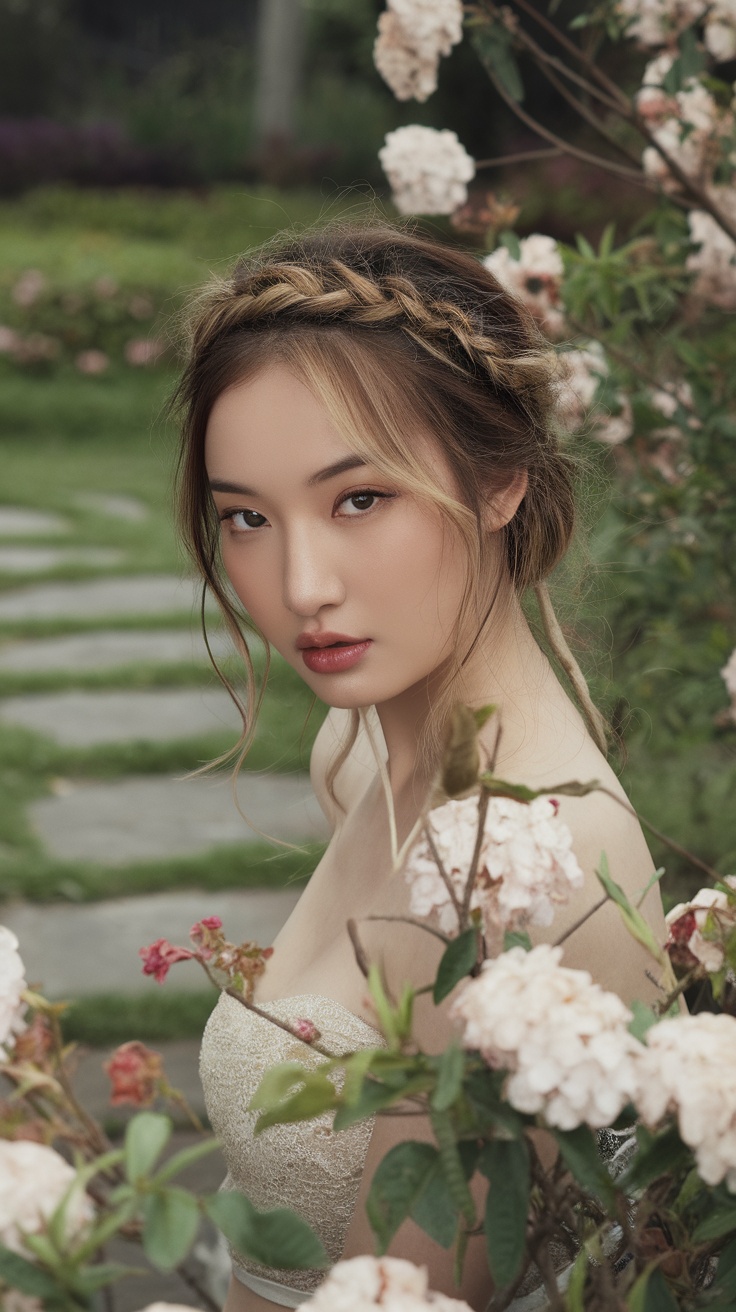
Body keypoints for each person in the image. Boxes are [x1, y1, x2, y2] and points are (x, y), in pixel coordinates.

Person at [177, 222, 668, 1311]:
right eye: (248, 519)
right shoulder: (354, 749)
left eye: (360, 499)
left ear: (499, 479)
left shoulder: (525, 873)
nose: (301, 584)